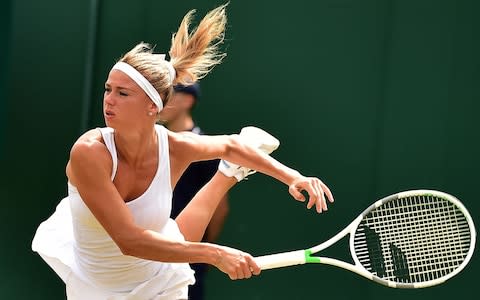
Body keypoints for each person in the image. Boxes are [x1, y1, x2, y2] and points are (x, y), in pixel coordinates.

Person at [32, 4, 334, 300]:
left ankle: (228, 172)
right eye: (108, 89)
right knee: (168, 236)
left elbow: (231, 144)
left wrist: (293, 177)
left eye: (123, 93)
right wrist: (215, 254)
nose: (109, 100)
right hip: (99, 282)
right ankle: (228, 172)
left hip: (158, 280)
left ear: (153, 106)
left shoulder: (175, 147)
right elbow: (128, 240)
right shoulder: (90, 152)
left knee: (170, 235)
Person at [158, 82, 229, 300]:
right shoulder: (157, 144)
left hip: (187, 255)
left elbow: (220, 208)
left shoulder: (204, 148)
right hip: (153, 251)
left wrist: (201, 250)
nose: (162, 102)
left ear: (188, 100)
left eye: (169, 95)